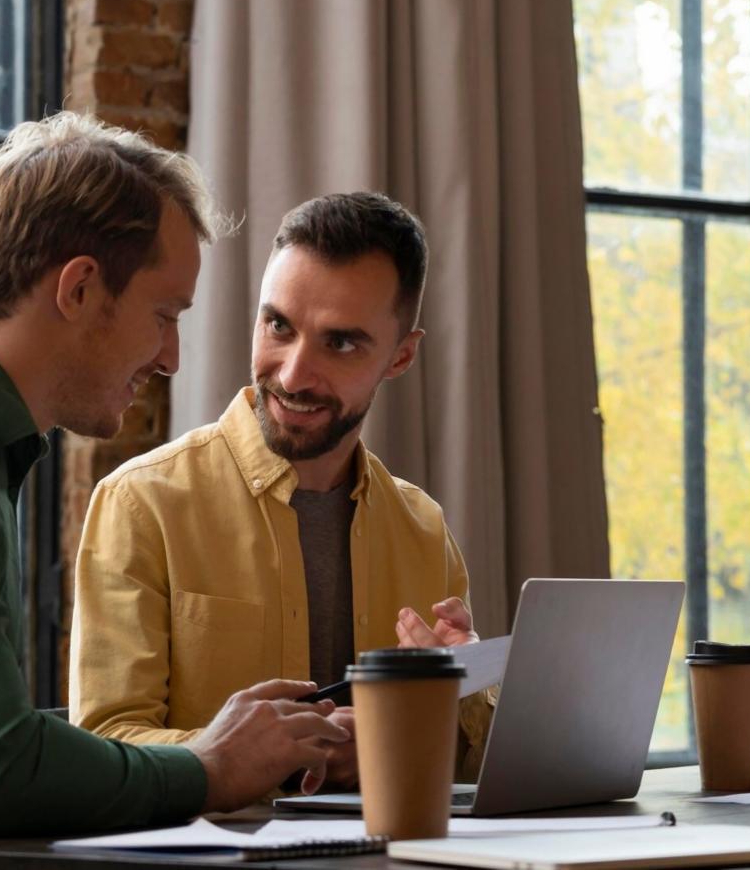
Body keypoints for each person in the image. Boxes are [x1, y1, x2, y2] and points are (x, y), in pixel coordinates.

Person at [0, 113, 349, 870]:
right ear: (79, 287)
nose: (172, 356)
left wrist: (223, 746)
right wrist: (210, 768)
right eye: (165, 314)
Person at [70, 192, 493, 787]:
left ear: (401, 356)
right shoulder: (141, 504)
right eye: (279, 326)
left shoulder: (423, 528)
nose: (293, 374)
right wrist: (286, 751)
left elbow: (470, 770)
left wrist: (461, 688)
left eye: (340, 343)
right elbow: (106, 745)